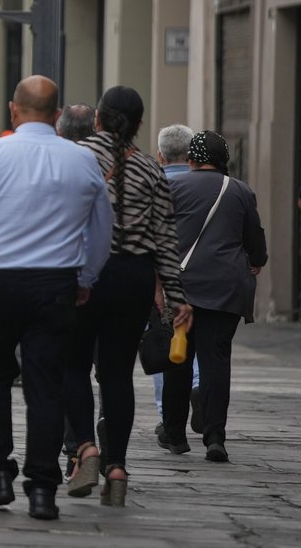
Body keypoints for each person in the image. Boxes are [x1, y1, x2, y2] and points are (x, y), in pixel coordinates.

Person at [0, 76, 114, 521]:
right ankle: (43, 488)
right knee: (45, 383)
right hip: (55, 285)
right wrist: (86, 277)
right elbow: (102, 230)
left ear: (13, 110)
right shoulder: (82, 161)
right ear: (57, 115)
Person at [61, 86, 192, 505]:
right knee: (117, 373)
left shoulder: (74, 157)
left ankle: (86, 448)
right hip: (133, 278)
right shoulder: (152, 170)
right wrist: (176, 297)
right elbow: (166, 240)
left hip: (83, 274)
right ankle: (116, 467)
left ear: (97, 119)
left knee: (73, 364)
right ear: (138, 125)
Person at [161, 131, 267, 463]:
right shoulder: (240, 191)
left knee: (178, 358)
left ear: (191, 160)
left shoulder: (174, 187)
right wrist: (256, 261)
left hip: (183, 287)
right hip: (225, 289)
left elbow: (160, 235)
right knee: (216, 361)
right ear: (224, 161)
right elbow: (255, 241)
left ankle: (175, 434)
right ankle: (215, 437)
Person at [152, 123, 199, 421]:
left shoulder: (153, 185)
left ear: (160, 156)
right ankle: (198, 383)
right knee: (200, 336)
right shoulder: (208, 185)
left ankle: (164, 413)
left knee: (162, 339)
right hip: (200, 274)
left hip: (163, 276)